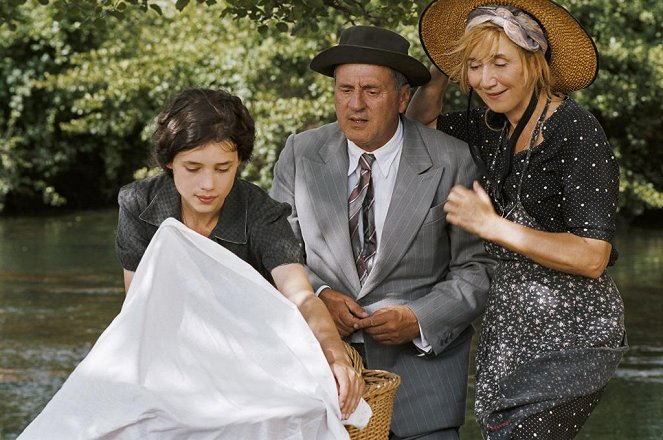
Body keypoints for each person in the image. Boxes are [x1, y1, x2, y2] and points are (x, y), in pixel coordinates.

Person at [409, 1, 627, 438]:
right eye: (473, 66)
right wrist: (440, 69)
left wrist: (491, 226)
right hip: (509, 331)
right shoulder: (489, 128)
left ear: (535, 60)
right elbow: (418, 125)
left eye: (500, 62)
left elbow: (592, 257)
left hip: (574, 333)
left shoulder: (576, 130)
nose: (485, 80)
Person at [270, 26, 495, 440]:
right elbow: (277, 255)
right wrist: (318, 297)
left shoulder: (453, 159)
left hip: (424, 392)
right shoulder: (300, 153)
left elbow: (477, 269)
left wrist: (419, 319)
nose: (355, 105)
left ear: (403, 97)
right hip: (318, 384)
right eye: (344, 90)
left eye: (371, 91)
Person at [115, 88, 363, 420]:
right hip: (166, 354)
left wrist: (335, 356)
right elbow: (137, 307)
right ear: (170, 162)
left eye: (222, 168)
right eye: (193, 167)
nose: (208, 184)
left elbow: (302, 296)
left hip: (250, 360)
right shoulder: (137, 204)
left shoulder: (261, 212)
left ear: (239, 162)